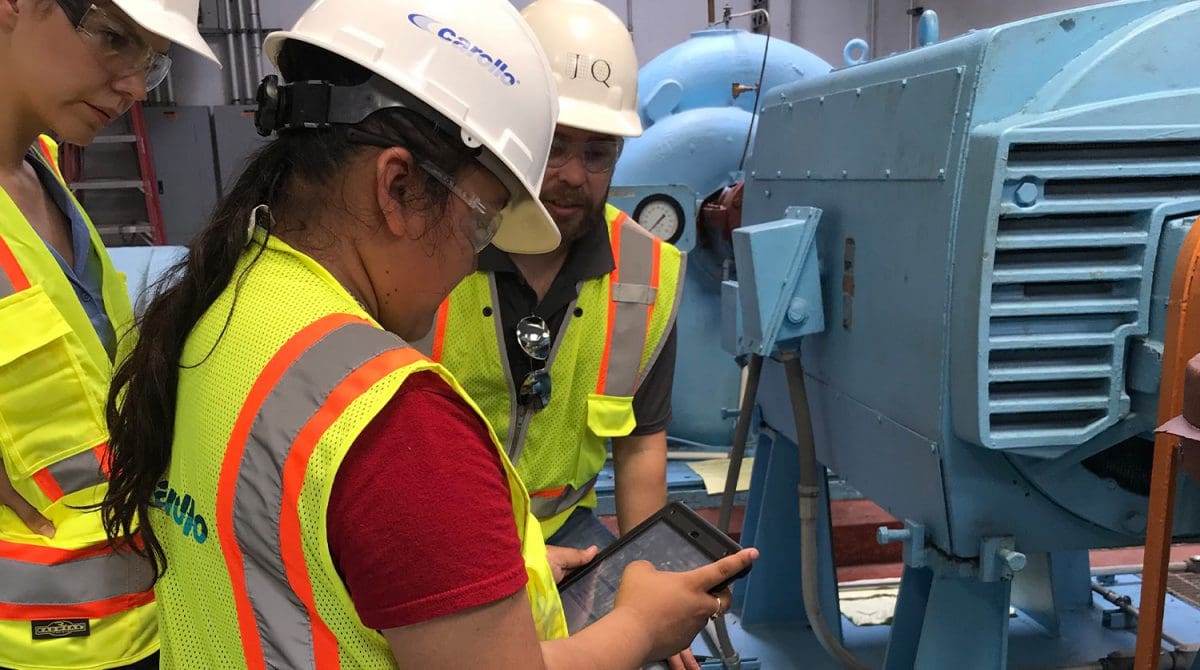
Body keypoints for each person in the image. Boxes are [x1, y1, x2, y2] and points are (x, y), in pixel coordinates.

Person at [98, 0, 757, 667]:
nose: (476, 258)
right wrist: (641, 627)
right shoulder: (399, 426)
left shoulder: (227, 302)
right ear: (399, 188)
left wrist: (504, 566)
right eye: (482, 224)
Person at [417, 0, 683, 554]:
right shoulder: (430, 242)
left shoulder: (647, 275)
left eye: (597, 153)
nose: (571, 176)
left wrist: (643, 577)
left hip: (566, 536)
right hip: (439, 541)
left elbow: (639, 448)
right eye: (554, 144)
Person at [0, 0, 218, 667]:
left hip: (139, 616)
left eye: (150, 62)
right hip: (32, 641)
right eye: (115, 40)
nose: (131, 85)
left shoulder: (41, 171)